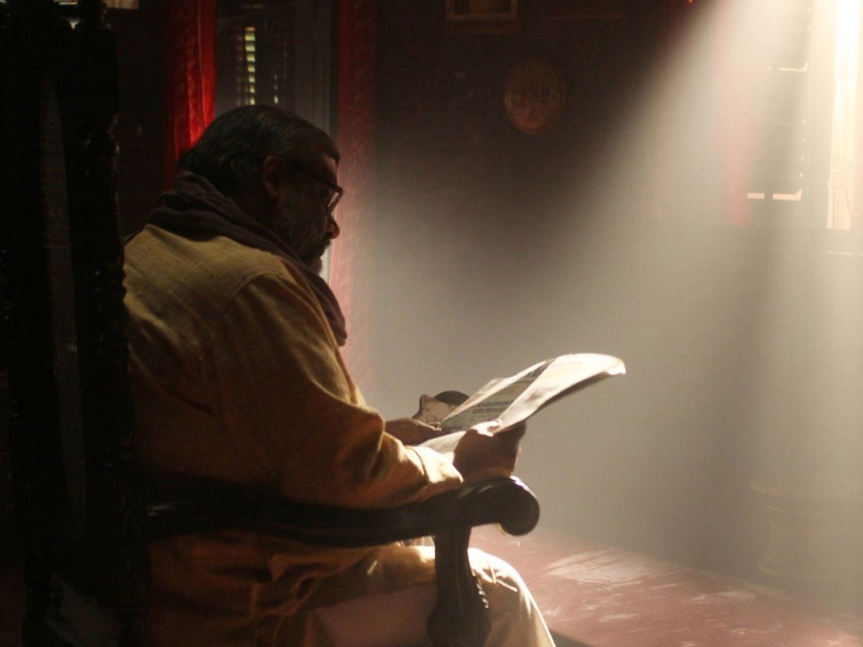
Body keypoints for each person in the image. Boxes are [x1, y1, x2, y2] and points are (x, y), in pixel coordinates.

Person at [123, 104, 554, 646]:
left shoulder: (152, 252)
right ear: (274, 178)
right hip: (243, 601)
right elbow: (348, 477)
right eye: (325, 198)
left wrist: (396, 437)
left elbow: (270, 438)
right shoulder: (250, 285)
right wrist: (460, 468)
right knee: (501, 590)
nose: (332, 226)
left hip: (166, 569)